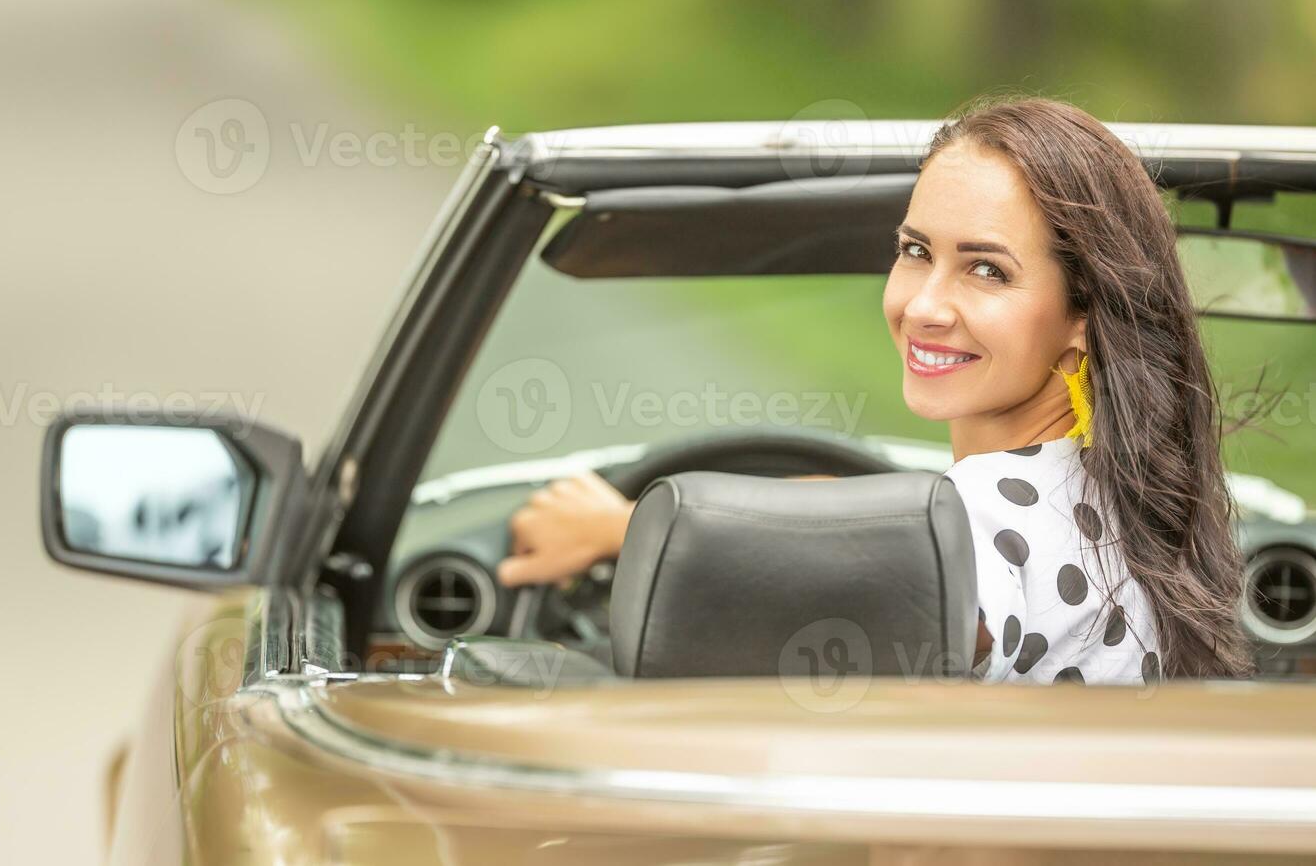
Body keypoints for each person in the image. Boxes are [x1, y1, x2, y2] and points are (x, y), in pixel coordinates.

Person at [495, 96, 1250, 683]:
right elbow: (882, 540)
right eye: (916, 251)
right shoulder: (1118, 503)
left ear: (1084, 313)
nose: (924, 305)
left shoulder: (987, 524)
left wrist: (620, 530)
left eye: (988, 269)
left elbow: (878, 568)